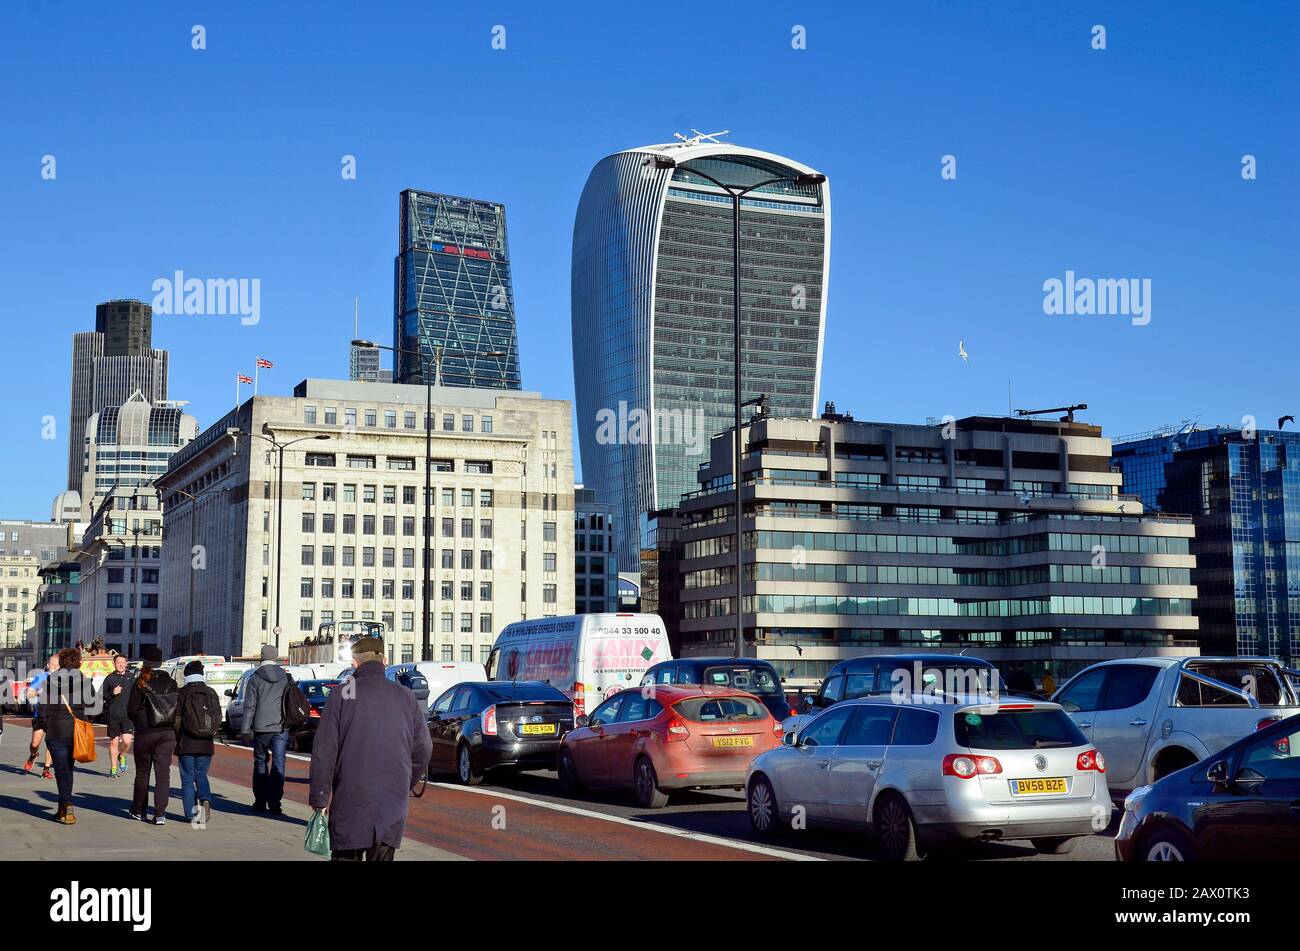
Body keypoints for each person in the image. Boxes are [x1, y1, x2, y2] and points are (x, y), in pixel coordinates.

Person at [309, 636, 431, 861]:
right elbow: (424, 747)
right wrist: (407, 781)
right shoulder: (405, 696)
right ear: (384, 660)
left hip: (350, 798)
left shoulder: (342, 694)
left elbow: (324, 750)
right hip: (392, 802)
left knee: (346, 853)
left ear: (354, 663)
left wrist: (320, 797)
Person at [42, 648, 97, 825]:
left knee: (61, 770)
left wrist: (44, 725)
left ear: (62, 662)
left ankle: (66, 804)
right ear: (78, 662)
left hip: (56, 728)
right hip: (77, 729)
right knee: (68, 769)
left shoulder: (50, 680)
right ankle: (63, 808)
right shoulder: (84, 680)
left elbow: (43, 708)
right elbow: (94, 705)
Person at [126, 646, 178, 824]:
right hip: (167, 732)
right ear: (161, 662)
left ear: (145, 662)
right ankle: (160, 814)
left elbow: (131, 710)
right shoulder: (172, 683)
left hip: (145, 732)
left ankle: (139, 810)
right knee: (163, 774)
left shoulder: (140, 682)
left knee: (142, 773)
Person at [241, 644, 289, 814]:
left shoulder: (255, 678)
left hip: (261, 727)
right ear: (276, 656)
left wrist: (245, 729)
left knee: (260, 762)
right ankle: (275, 802)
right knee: (279, 764)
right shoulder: (285, 676)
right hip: (280, 726)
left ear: (262, 656)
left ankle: (260, 801)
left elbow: (249, 706)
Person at [176, 659, 219, 825]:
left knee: (187, 778)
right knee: (201, 774)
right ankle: (205, 798)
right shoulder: (211, 692)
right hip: (206, 742)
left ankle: (191, 815)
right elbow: (218, 717)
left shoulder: (182, 693)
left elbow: (177, 720)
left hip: (186, 741)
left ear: (186, 675)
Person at [24, 653, 58, 780]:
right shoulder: (40, 677)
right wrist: (37, 692)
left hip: (55, 717)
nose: (55, 667)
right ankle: (33, 755)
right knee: (34, 743)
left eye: (58, 665)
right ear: (48, 665)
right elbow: (29, 694)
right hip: (40, 715)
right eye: (53, 665)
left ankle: (46, 769)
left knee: (51, 744)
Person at [102, 654, 134, 778]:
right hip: (113, 715)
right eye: (118, 662)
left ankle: (122, 755)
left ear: (126, 663)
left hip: (127, 715)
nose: (120, 664)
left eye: (123, 662)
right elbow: (103, 695)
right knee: (114, 742)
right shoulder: (109, 678)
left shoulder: (131, 677)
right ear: (114, 664)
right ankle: (113, 768)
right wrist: (112, 693)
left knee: (127, 742)